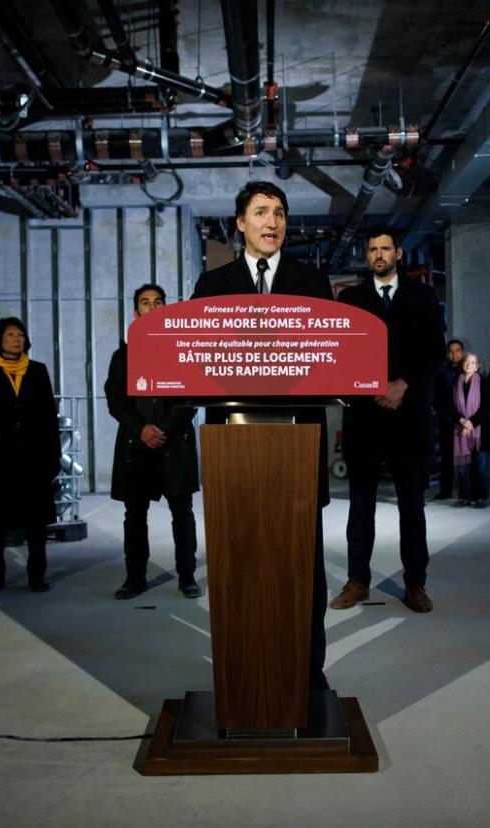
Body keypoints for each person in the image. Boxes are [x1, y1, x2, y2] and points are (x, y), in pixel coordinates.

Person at [191, 180, 334, 690]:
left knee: (303, 568)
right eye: (260, 212)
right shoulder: (211, 286)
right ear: (240, 223)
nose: (272, 222)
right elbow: (199, 364)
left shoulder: (312, 282)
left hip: (299, 443)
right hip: (234, 445)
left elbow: (327, 359)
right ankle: (240, 670)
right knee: (238, 563)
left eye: (279, 213)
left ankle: (306, 670)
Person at [331, 225, 445, 614]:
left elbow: (434, 351)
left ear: (399, 253)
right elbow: (342, 352)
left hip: (408, 414)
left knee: (412, 505)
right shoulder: (352, 297)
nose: (379, 254)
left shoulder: (423, 295)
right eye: (372, 249)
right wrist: (368, 386)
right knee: (360, 506)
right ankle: (357, 580)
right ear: (367, 255)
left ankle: (416, 583)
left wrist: (403, 385)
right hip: (364, 416)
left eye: (385, 248)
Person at [105, 284, 200, 600]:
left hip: (175, 444)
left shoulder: (181, 348)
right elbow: (115, 400)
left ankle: (187, 576)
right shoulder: (123, 356)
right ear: (136, 312)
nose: (152, 306)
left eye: (158, 302)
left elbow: (189, 395)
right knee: (134, 516)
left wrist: (164, 429)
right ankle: (134, 578)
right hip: (136, 443)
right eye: (145, 303)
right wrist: (142, 428)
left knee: (182, 514)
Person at [0, 317, 61, 594]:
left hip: (34, 460)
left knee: (36, 525)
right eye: (10, 334)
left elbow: (49, 419)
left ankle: (36, 577)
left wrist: (53, 458)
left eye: (20, 334)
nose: (16, 339)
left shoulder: (38, 371)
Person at [451, 352, 490, 508]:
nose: (469, 364)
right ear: (462, 364)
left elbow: (486, 407)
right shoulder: (455, 383)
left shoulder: (484, 383)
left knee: (480, 467)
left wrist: (470, 424)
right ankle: (464, 497)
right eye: (467, 362)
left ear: (477, 366)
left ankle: (480, 497)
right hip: (459, 429)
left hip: (480, 431)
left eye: (473, 362)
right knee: (463, 467)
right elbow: (450, 407)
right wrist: (461, 421)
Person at [431, 339, 466, 500]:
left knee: (465, 456)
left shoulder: (469, 369)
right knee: (446, 458)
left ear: (463, 352)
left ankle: (466, 491)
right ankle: (445, 490)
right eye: (451, 351)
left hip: (465, 419)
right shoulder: (441, 371)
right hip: (446, 420)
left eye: (458, 350)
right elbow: (436, 396)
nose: (454, 354)